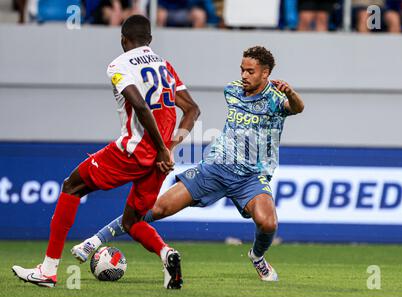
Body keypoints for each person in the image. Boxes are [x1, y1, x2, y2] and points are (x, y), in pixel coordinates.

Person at [73, 46, 305, 282]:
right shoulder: (232, 90)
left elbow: (296, 108)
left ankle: (257, 257)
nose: (244, 75)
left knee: (268, 223)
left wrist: (292, 95)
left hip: (251, 177)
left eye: (251, 71)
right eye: (242, 69)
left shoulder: (276, 98)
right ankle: (94, 241)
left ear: (265, 74)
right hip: (214, 169)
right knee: (157, 208)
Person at [11, 15, 201, 289]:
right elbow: (193, 110)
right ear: (150, 40)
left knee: (71, 186)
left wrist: (161, 148)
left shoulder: (118, 64)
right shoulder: (165, 66)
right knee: (132, 221)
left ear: (123, 40)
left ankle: (48, 270)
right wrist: (169, 150)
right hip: (160, 161)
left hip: (132, 151)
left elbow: (140, 106)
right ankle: (167, 254)